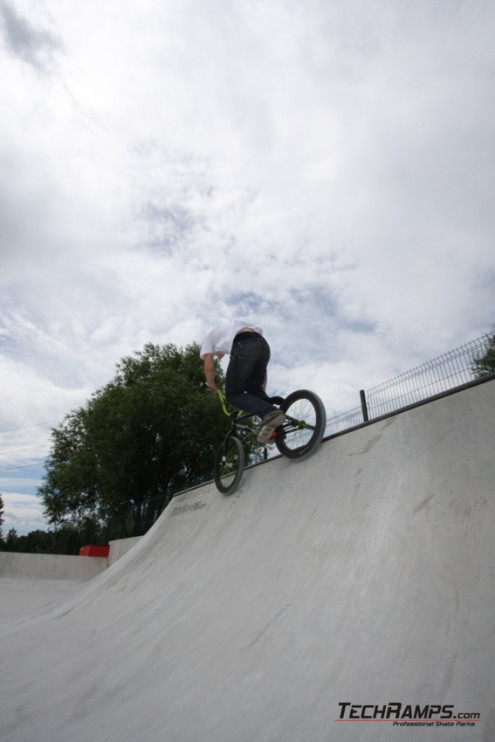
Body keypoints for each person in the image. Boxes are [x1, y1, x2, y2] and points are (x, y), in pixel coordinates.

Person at [200, 320, 286, 444]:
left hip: (244, 345)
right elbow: (262, 371)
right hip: (263, 346)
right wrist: (261, 392)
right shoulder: (234, 328)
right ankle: (278, 428)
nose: (219, 356)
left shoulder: (208, 339)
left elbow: (209, 367)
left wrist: (211, 384)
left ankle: (270, 412)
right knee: (254, 389)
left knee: (232, 394)